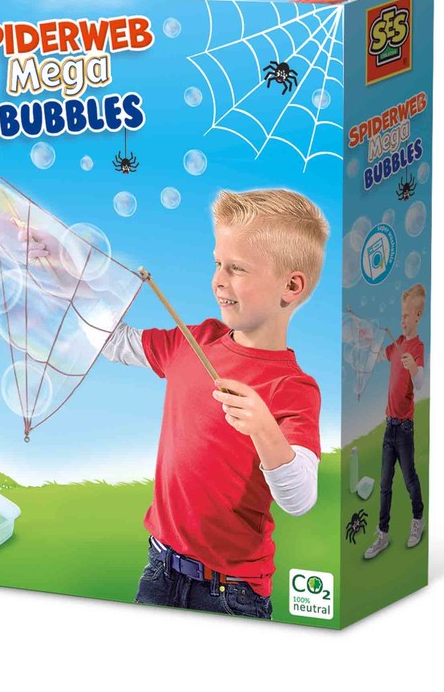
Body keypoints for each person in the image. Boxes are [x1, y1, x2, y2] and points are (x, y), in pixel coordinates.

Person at [99, 188, 329, 619]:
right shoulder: (196, 340)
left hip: (231, 593)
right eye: (217, 263)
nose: (219, 280)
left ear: (291, 286)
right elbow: (112, 341)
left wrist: (263, 427)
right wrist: (56, 269)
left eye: (237, 268)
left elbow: (300, 498)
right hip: (160, 569)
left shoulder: (293, 387)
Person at [364, 284, 427, 560]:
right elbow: (379, 354)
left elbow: (420, 383)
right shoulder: (397, 343)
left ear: (418, 315)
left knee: (409, 478)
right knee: (385, 484)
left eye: (406, 315)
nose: (402, 320)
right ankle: (383, 533)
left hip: (404, 429)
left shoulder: (417, 348)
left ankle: (417, 519)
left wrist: (413, 368)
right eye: (401, 315)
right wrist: (370, 339)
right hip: (388, 426)